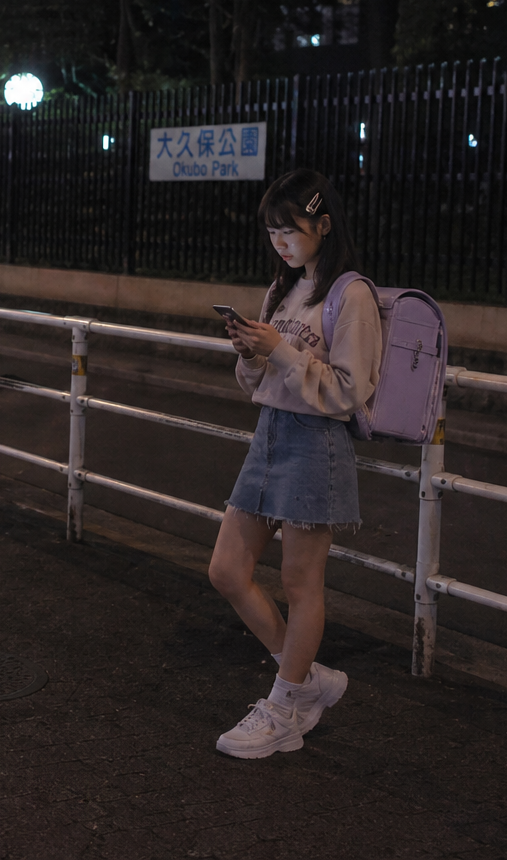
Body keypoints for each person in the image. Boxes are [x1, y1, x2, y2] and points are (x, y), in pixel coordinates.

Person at [207, 169, 381, 760]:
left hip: (316, 442)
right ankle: (303, 681)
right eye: (272, 231)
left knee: (301, 583)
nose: (280, 242)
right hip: (270, 435)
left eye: (291, 229)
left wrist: (278, 350)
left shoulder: (351, 295)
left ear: (323, 226)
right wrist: (250, 354)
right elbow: (258, 382)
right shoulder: (282, 289)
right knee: (227, 569)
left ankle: (283, 710)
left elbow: (349, 391)